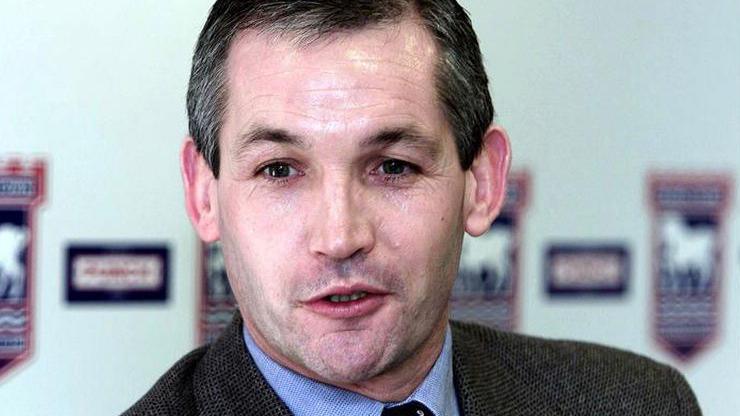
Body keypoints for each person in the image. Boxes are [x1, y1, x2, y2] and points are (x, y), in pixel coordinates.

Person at [124, 1, 702, 415]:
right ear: (205, 195)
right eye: (279, 170)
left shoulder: (640, 402)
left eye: (393, 166)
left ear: (481, 181)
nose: (340, 234)